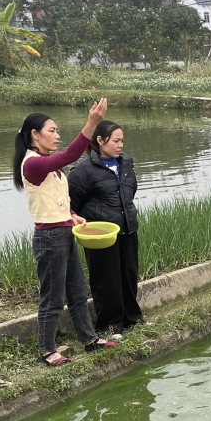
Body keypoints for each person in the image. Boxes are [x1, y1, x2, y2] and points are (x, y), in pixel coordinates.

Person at [13, 100, 118, 366]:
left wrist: (71, 215)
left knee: (77, 291)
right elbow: (71, 155)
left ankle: (89, 340)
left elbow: (54, 199)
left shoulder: (48, 164)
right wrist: (92, 122)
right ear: (35, 135)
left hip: (64, 232)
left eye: (58, 130)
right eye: (52, 130)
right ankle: (47, 350)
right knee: (53, 297)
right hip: (49, 238)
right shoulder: (33, 163)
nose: (57, 135)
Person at [68, 120, 145, 337]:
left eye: (122, 140)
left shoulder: (126, 164)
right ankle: (110, 326)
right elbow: (72, 204)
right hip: (100, 235)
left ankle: (133, 319)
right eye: (116, 140)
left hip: (128, 229)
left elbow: (129, 193)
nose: (121, 145)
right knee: (106, 280)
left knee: (128, 276)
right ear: (100, 141)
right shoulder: (83, 171)